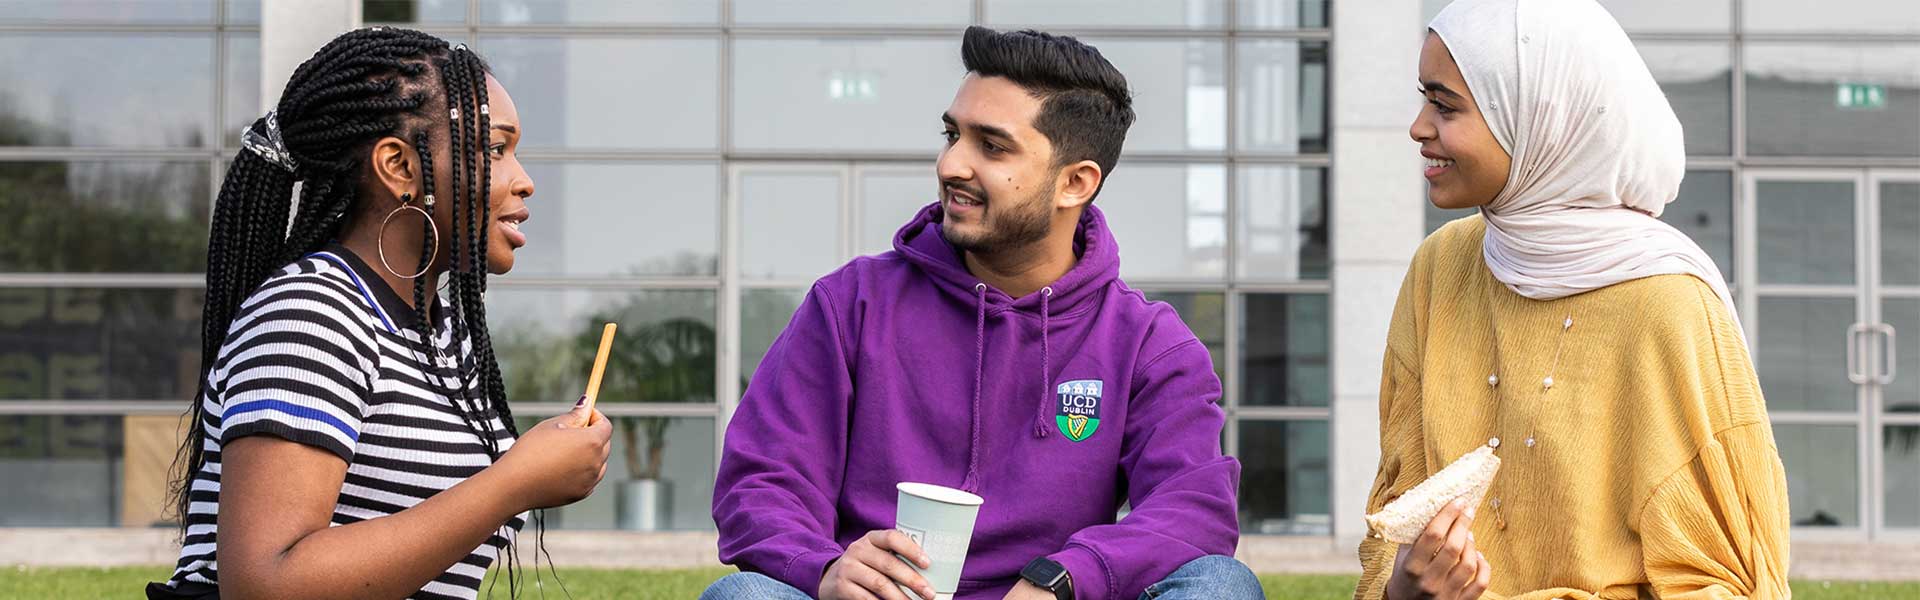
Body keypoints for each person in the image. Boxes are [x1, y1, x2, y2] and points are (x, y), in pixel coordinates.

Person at [703, 26, 1261, 600]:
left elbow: (1192, 508)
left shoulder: (1147, 343)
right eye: (952, 135)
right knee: (744, 595)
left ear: (1075, 182)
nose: (951, 165)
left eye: (991, 146)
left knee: (1220, 584)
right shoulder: (850, 305)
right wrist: (823, 569)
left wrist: (1065, 579)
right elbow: (761, 482)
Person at [149, 27, 611, 600]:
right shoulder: (311, 314)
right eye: (495, 150)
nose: (525, 180)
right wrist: (515, 481)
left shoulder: (441, 334)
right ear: (399, 167)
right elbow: (267, 582)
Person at [1355, 1, 1791, 598]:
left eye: (1446, 104)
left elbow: (1727, 582)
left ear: (1539, 117)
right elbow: (1392, 516)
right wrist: (1404, 589)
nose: (1419, 126)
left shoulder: (1668, 302)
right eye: (1424, 98)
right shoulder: (1441, 266)